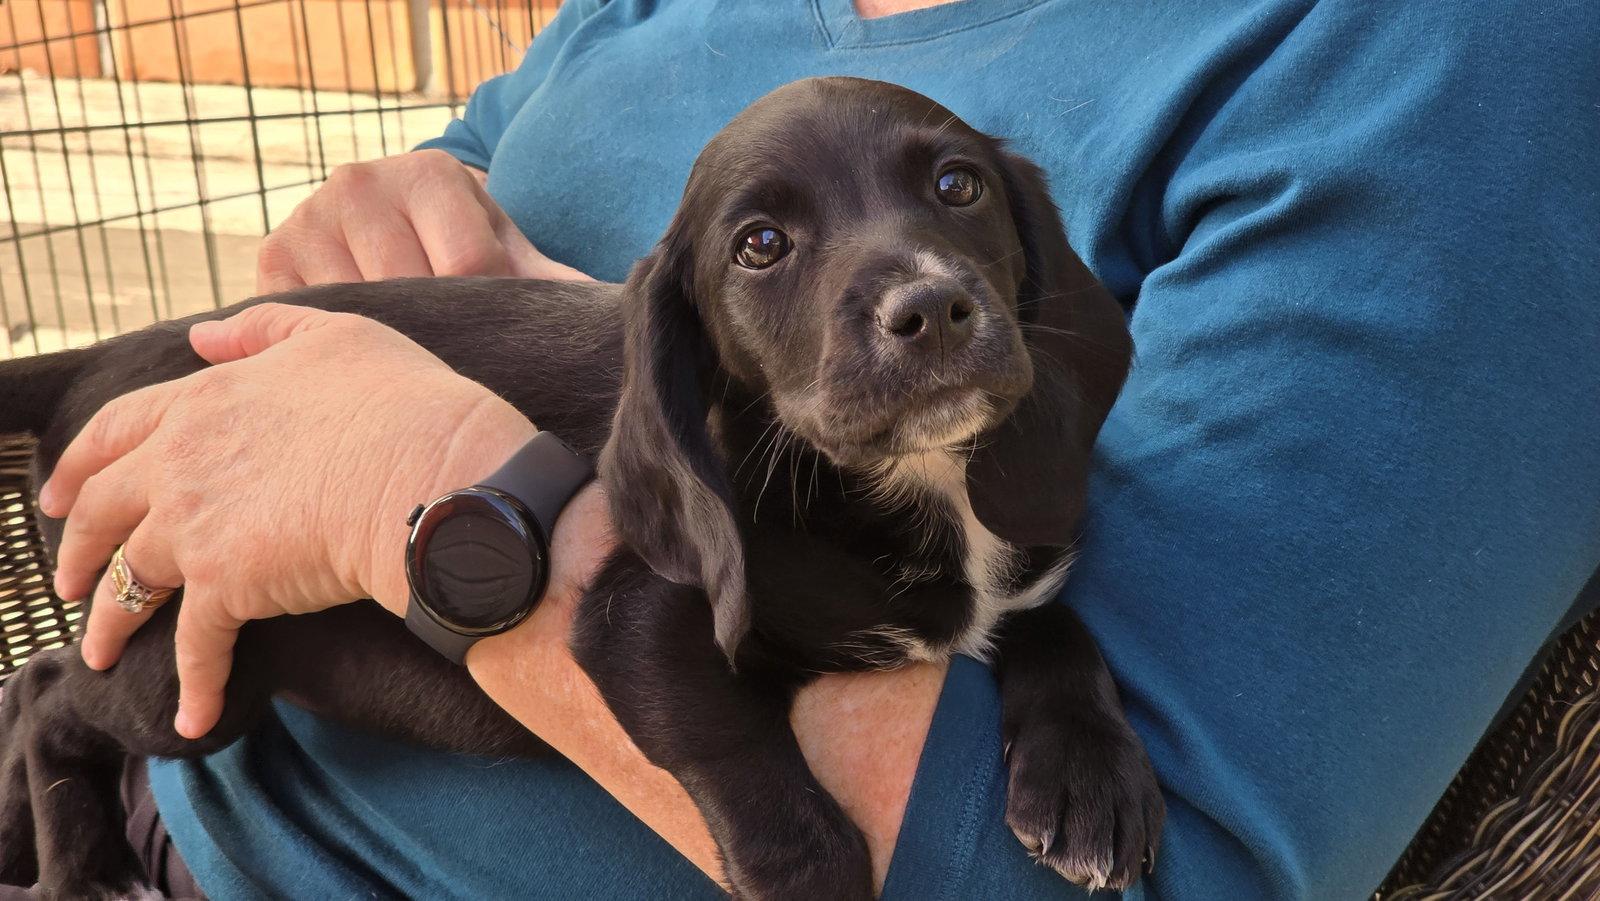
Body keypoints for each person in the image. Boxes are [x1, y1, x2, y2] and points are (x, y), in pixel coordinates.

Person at [25, 0, 1599, 897]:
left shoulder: (1432, 57)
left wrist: (416, 484)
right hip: (154, 750)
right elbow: (447, 207)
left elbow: (1163, 868)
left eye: (953, 197)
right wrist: (390, 207)